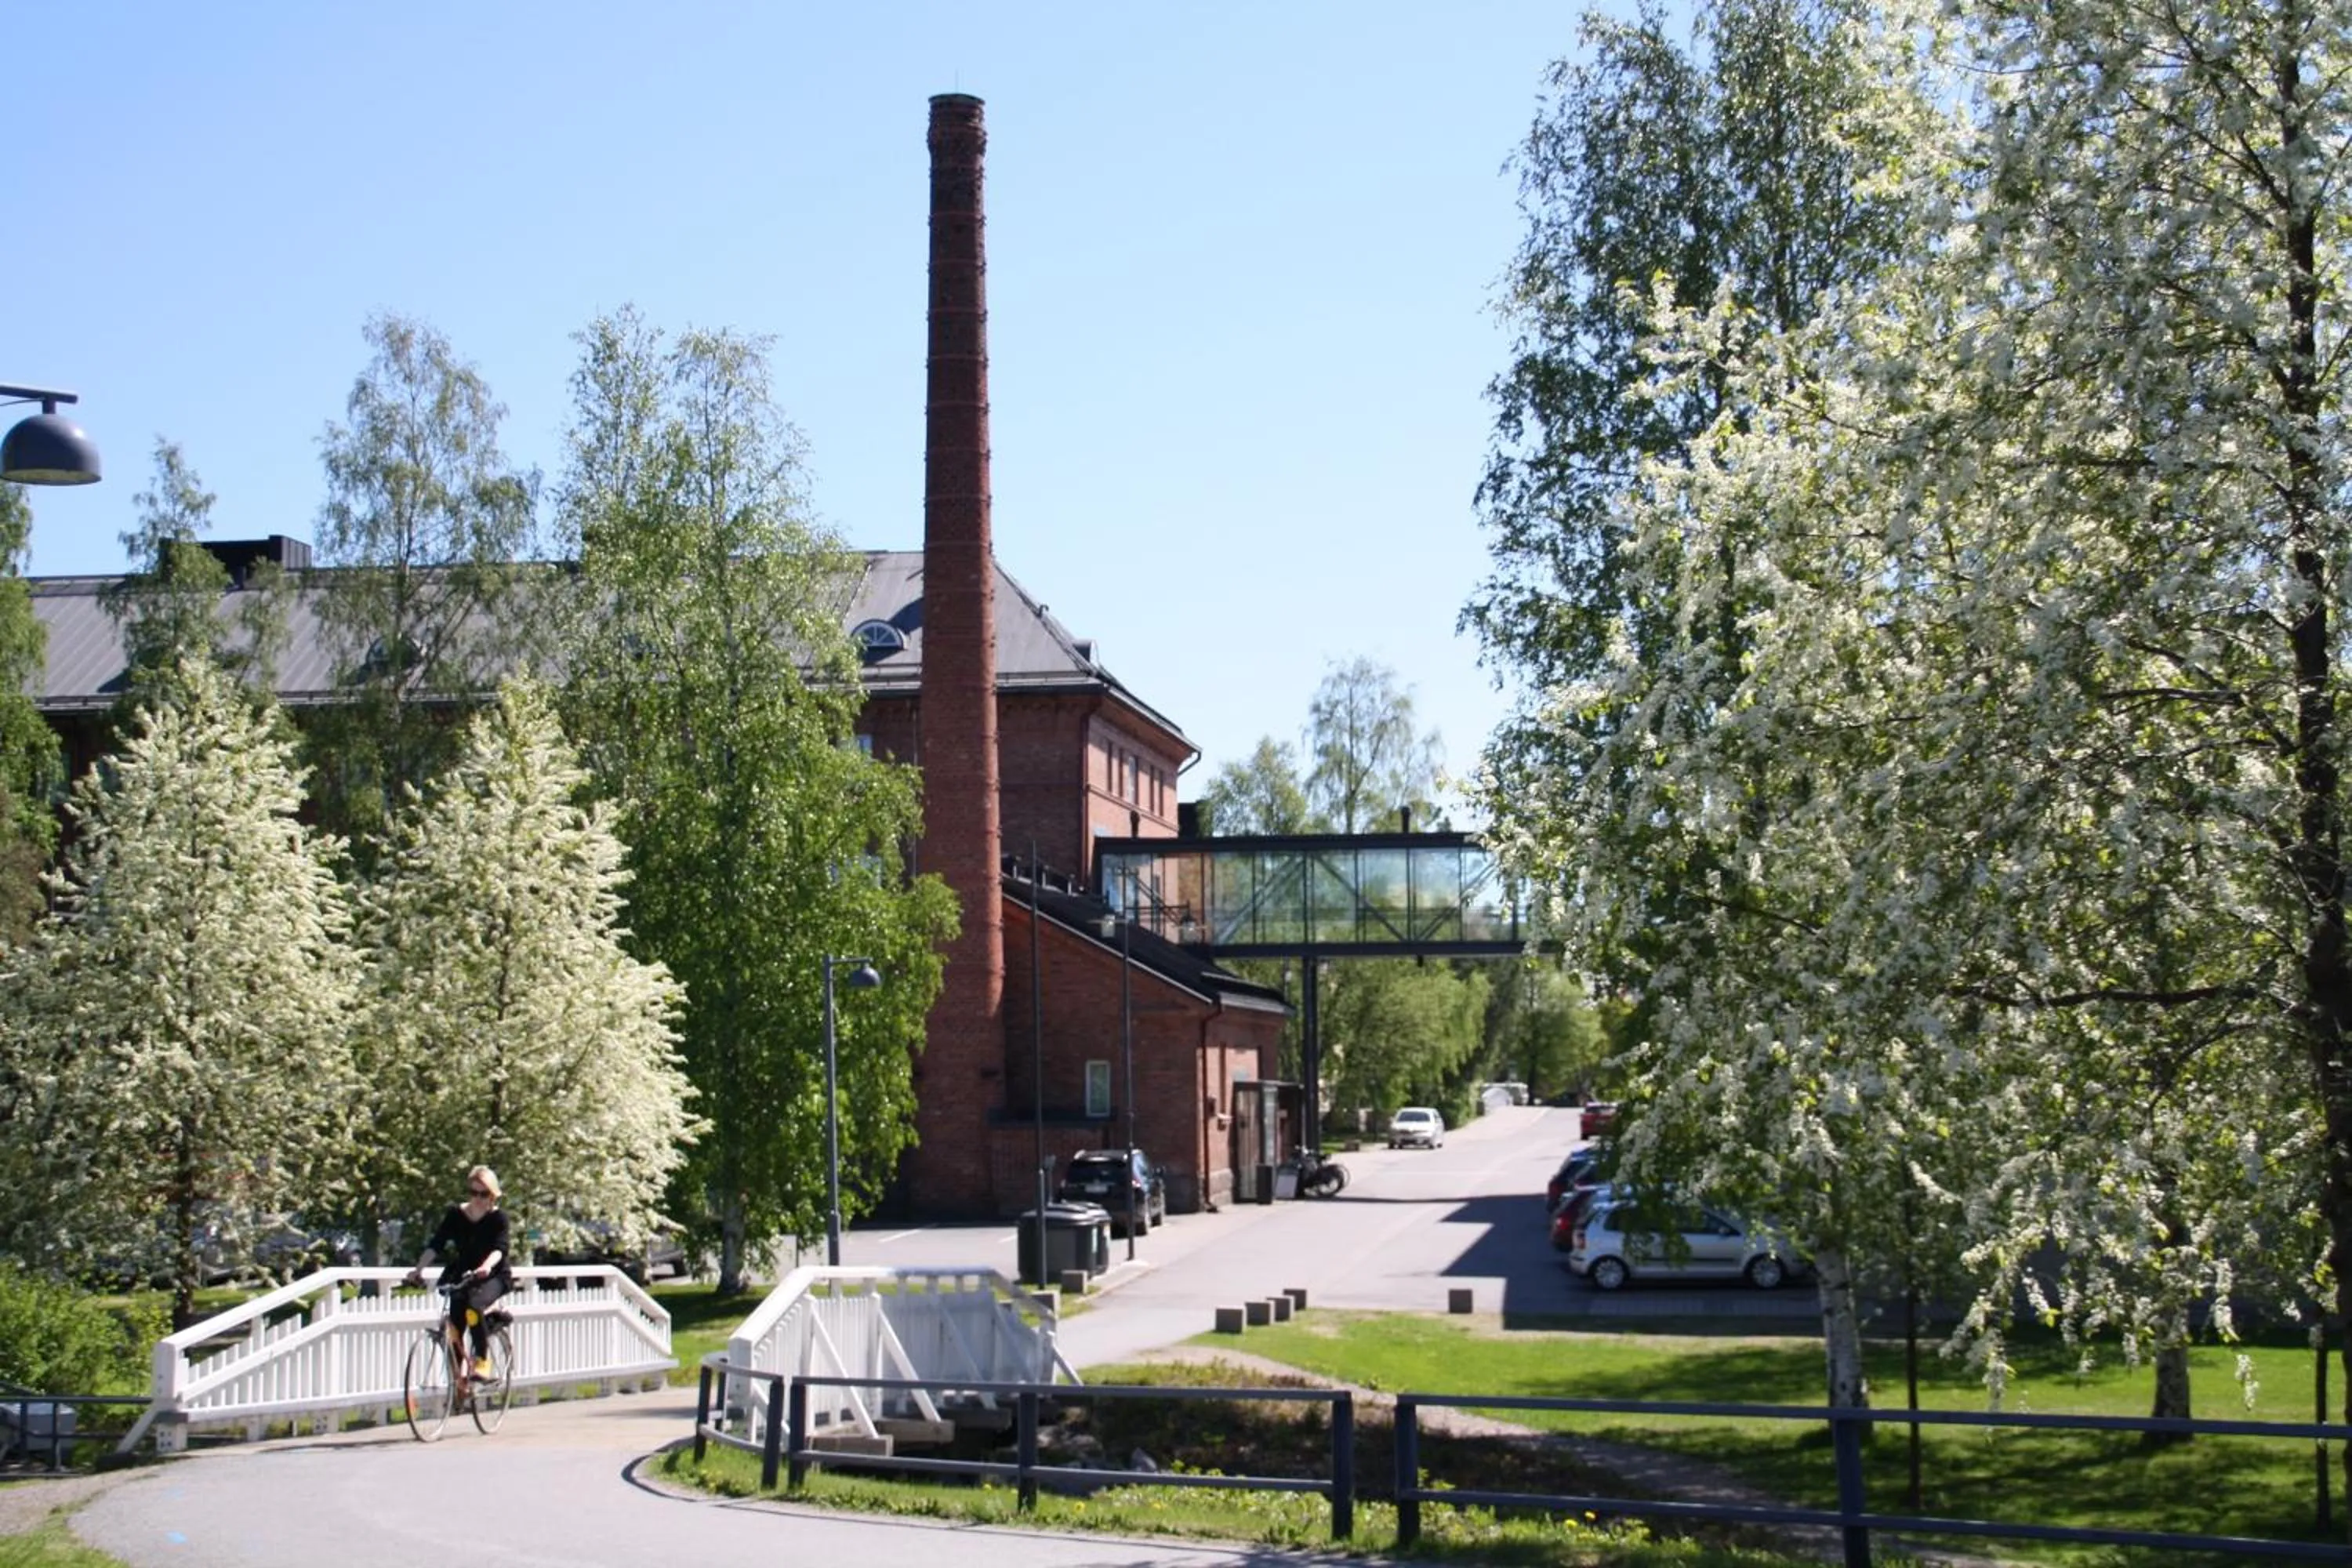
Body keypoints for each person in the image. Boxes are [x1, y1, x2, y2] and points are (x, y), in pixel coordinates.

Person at [402, 1164, 512, 1382]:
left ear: (493, 1194)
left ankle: (482, 1362)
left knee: (473, 1306)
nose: (478, 1199)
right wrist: (418, 1269)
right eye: (474, 1193)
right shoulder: (456, 1215)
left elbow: (500, 1249)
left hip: (493, 1275)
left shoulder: (499, 1219)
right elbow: (437, 1244)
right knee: (455, 1324)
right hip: (464, 1274)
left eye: (484, 1194)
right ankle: (457, 1382)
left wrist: (487, 1266)